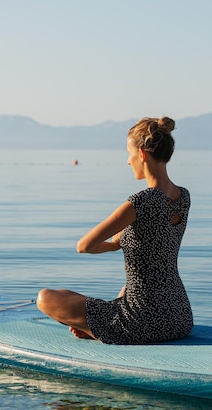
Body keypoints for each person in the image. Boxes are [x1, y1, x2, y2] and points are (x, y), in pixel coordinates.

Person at [36, 116, 193, 344]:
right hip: (179, 317)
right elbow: (154, 245)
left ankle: (94, 330)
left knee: (45, 298)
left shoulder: (140, 201)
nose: (128, 162)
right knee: (128, 288)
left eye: (129, 154)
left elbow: (84, 246)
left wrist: (113, 245)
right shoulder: (184, 196)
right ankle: (96, 326)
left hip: (144, 322)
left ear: (142, 154)